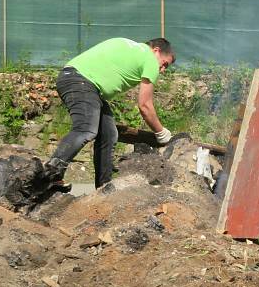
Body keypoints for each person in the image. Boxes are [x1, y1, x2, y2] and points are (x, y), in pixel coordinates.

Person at [44, 37, 175, 189]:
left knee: (108, 134)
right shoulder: (150, 59)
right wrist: (161, 133)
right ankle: (50, 174)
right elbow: (145, 106)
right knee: (86, 129)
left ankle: (104, 188)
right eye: (165, 64)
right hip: (82, 81)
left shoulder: (130, 46)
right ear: (156, 50)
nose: (163, 70)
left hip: (81, 81)